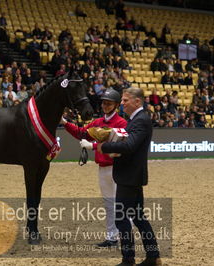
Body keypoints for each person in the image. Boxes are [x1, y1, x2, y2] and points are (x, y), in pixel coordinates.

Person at [82, 87, 161, 265]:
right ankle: (153, 256)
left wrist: (103, 146)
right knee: (138, 217)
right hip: (130, 175)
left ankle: (128, 259)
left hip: (129, 176)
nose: (122, 103)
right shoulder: (135, 119)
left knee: (122, 218)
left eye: (125, 100)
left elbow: (129, 146)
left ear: (137, 102)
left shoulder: (140, 120)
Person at [63, 89, 127, 248]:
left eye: (109, 103)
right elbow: (81, 133)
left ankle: (126, 234)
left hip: (117, 168)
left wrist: (92, 145)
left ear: (116, 105)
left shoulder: (121, 123)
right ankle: (112, 237)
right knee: (109, 204)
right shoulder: (98, 122)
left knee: (120, 203)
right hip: (103, 168)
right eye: (104, 102)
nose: (105, 105)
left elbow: (117, 145)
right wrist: (64, 123)